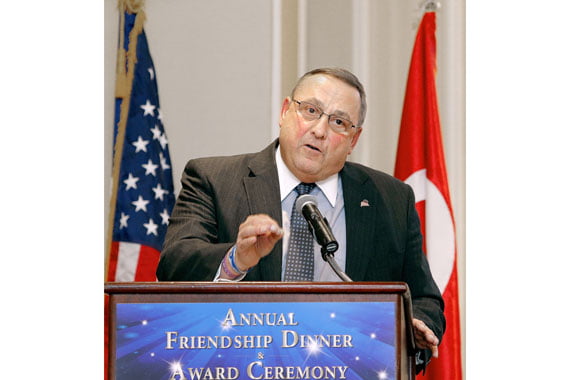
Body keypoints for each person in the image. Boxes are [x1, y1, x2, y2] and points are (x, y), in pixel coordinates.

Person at [156, 67, 445, 372]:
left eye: (338, 122)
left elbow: (425, 298)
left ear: (353, 139)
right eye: (310, 110)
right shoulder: (214, 180)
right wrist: (235, 260)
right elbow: (174, 264)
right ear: (284, 111)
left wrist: (413, 330)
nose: (319, 130)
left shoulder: (392, 199)